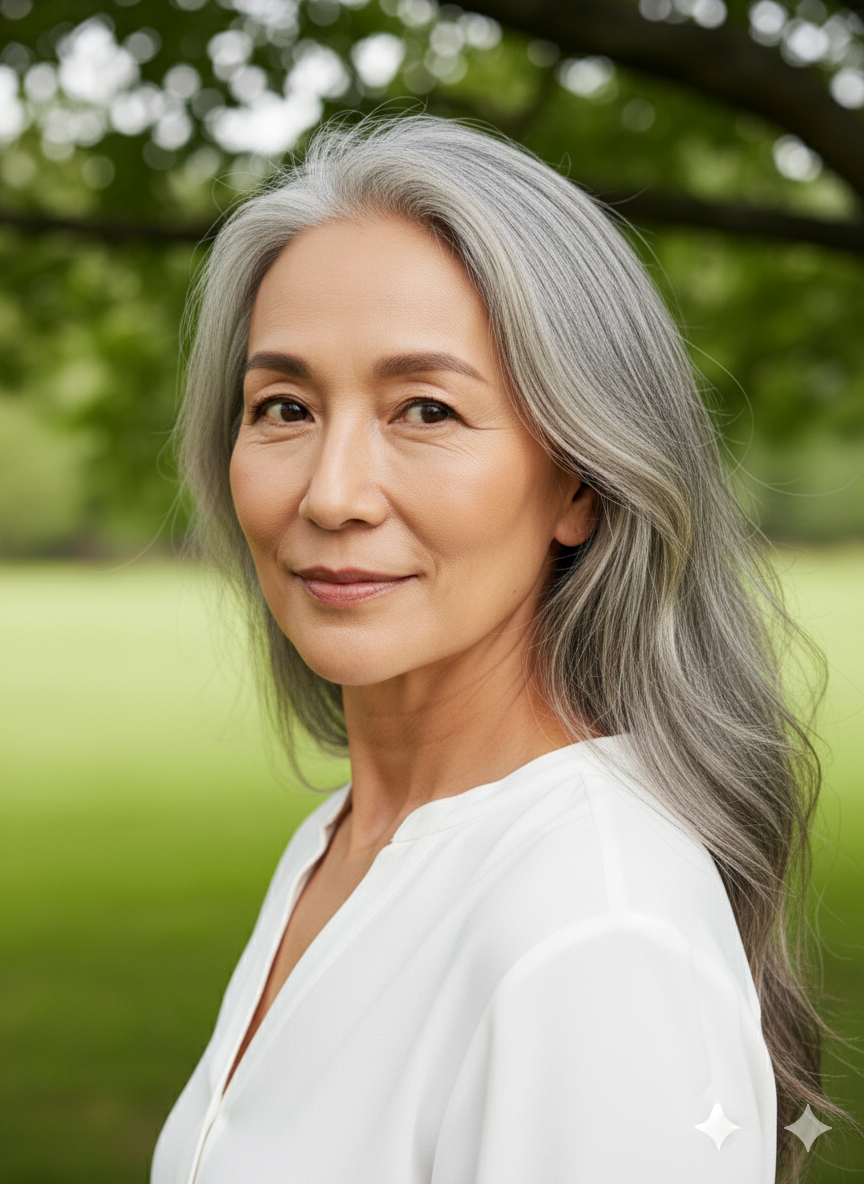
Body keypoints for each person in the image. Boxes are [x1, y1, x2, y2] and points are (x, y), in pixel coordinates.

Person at [151, 115, 839, 1184]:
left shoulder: (595, 933)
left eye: (426, 408)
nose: (331, 493)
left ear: (578, 478)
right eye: (283, 405)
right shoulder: (339, 844)